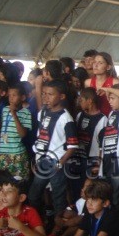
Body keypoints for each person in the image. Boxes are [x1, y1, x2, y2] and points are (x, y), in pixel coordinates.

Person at [28, 80, 79, 216]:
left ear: (61, 96)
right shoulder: (43, 112)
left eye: (50, 94)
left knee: (58, 197)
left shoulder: (66, 118)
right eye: (44, 94)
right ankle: (38, 220)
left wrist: (60, 163)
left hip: (56, 162)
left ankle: (58, 223)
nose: (46, 97)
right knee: (34, 195)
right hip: (42, 160)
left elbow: (72, 146)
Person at [97, 84, 119, 212]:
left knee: (117, 195)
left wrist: (107, 89)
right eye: (109, 98)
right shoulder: (112, 113)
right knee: (107, 193)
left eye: (112, 98)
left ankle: (117, 218)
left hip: (118, 160)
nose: (109, 101)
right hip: (107, 159)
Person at [73, 87, 107, 200]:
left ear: (90, 101)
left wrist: (98, 164)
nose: (80, 102)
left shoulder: (103, 119)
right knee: (76, 188)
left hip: (92, 160)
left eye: (82, 100)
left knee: (89, 189)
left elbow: (102, 146)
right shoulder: (79, 115)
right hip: (78, 158)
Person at [0, 83, 32, 179]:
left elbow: (23, 134)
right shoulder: (5, 110)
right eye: (9, 95)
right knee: (2, 180)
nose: (11, 98)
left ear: (22, 97)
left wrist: (14, 114)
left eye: (14, 95)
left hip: (17, 153)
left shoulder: (26, 113)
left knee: (18, 181)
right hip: (3, 151)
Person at [85, 51, 116, 116]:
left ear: (108, 67)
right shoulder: (88, 83)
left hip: (110, 118)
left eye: (100, 63)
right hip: (93, 118)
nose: (95, 65)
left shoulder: (115, 82)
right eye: (94, 62)